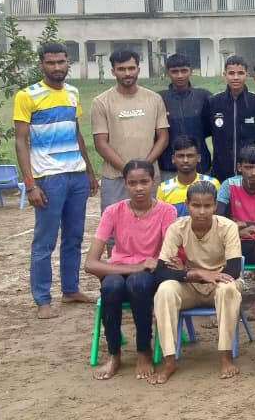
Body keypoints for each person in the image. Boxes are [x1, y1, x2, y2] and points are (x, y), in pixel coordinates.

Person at [14, 42, 98, 319]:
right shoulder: (27, 96)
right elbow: (21, 141)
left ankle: (71, 289)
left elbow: (77, 133)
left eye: (61, 62)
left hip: (76, 176)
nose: (57, 67)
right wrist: (30, 184)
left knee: (74, 237)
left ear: (68, 63)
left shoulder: (73, 93)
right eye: (51, 63)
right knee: (45, 241)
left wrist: (89, 171)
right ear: (41, 64)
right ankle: (42, 299)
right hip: (48, 178)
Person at [85, 159, 177, 380]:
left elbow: (169, 255)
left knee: (139, 282)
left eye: (144, 182)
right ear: (125, 184)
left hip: (149, 277)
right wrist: (136, 265)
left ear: (153, 181)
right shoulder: (113, 211)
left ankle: (144, 350)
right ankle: (114, 354)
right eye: (132, 183)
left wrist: (145, 267)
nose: (139, 188)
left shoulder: (167, 211)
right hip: (119, 272)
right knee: (111, 287)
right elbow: (90, 263)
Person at [150, 181, 243, 384]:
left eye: (207, 206)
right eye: (196, 205)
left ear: (215, 206)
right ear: (187, 204)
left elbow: (234, 270)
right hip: (190, 285)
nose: (202, 211)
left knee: (228, 289)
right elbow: (161, 272)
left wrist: (203, 275)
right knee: (165, 290)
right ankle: (169, 360)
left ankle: (225, 356)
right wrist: (197, 274)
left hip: (220, 282)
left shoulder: (227, 227)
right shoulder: (177, 228)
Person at [92, 49, 169, 211]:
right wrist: (128, 171)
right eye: (121, 69)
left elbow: (163, 137)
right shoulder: (101, 102)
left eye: (131, 68)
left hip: (149, 176)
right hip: (115, 177)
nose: (127, 73)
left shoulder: (154, 99)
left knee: (151, 221)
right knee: (114, 222)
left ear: (138, 69)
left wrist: (143, 169)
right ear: (113, 71)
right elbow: (100, 143)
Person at [205, 55, 255, 181]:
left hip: (251, 172)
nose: (236, 77)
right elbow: (205, 133)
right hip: (221, 172)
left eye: (240, 73)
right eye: (231, 73)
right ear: (224, 75)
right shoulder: (213, 102)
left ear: (247, 75)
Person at [216, 145, 255, 273]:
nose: (253, 173)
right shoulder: (228, 185)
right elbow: (218, 219)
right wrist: (237, 231)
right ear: (239, 167)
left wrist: (244, 224)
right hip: (235, 237)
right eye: (248, 167)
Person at [158, 53, 212, 181]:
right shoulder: (159, 99)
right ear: (168, 73)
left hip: (200, 165)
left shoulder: (204, 97)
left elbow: (211, 129)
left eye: (184, 71)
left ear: (191, 71)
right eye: (174, 71)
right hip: (169, 167)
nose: (180, 75)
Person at [156, 135, 220, 217]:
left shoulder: (212, 183)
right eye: (180, 156)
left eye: (190, 156)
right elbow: (161, 218)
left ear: (199, 158)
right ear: (173, 159)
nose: (185, 160)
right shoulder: (164, 188)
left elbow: (218, 216)